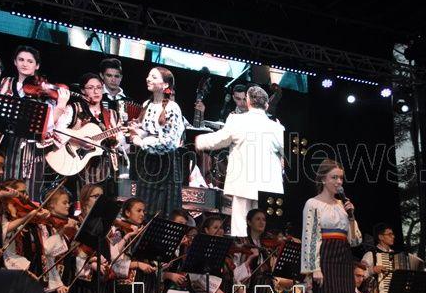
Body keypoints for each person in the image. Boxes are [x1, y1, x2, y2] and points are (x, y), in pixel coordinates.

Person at [195, 86, 285, 237]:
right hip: (268, 188)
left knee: (240, 229)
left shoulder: (237, 120)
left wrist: (200, 141)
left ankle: (241, 252)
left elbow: (220, 139)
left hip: (243, 184)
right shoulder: (277, 128)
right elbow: (289, 153)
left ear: (248, 101)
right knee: (262, 230)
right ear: (266, 105)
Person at [300, 159, 362, 293]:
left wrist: (352, 216)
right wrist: (314, 267)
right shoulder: (313, 203)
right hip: (325, 260)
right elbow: (310, 237)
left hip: (343, 261)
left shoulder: (343, 206)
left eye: (341, 178)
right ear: (323, 179)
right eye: (334, 177)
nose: (338, 182)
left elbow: (355, 241)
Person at [0, 45, 70, 199]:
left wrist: (60, 106)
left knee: (31, 190)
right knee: (8, 184)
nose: (25, 64)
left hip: (34, 145)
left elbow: (50, 124)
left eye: (30, 61)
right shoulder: (7, 82)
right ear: (15, 62)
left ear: (37, 66)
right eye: (21, 60)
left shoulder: (44, 91)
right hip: (10, 142)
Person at [128, 67, 185, 217]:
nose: (148, 79)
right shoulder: (147, 104)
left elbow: (169, 142)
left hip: (165, 163)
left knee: (163, 209)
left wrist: (141, 142)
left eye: (154, 77)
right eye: (148, 76)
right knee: (144, 204)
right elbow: (148, 131)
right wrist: (135, 131)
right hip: (146, 161)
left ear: (165, 84)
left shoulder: (172, 108)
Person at [56, 72, 125, 185]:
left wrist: (118, 138)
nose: (96, 91)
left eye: (99, 87)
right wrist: (79, 140)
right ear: (83, 90)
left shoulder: (112, 115)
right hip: (76, 163)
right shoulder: (74, 109)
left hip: (105, 169)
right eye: (91, 88)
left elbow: (121, 143)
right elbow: (57, 130)